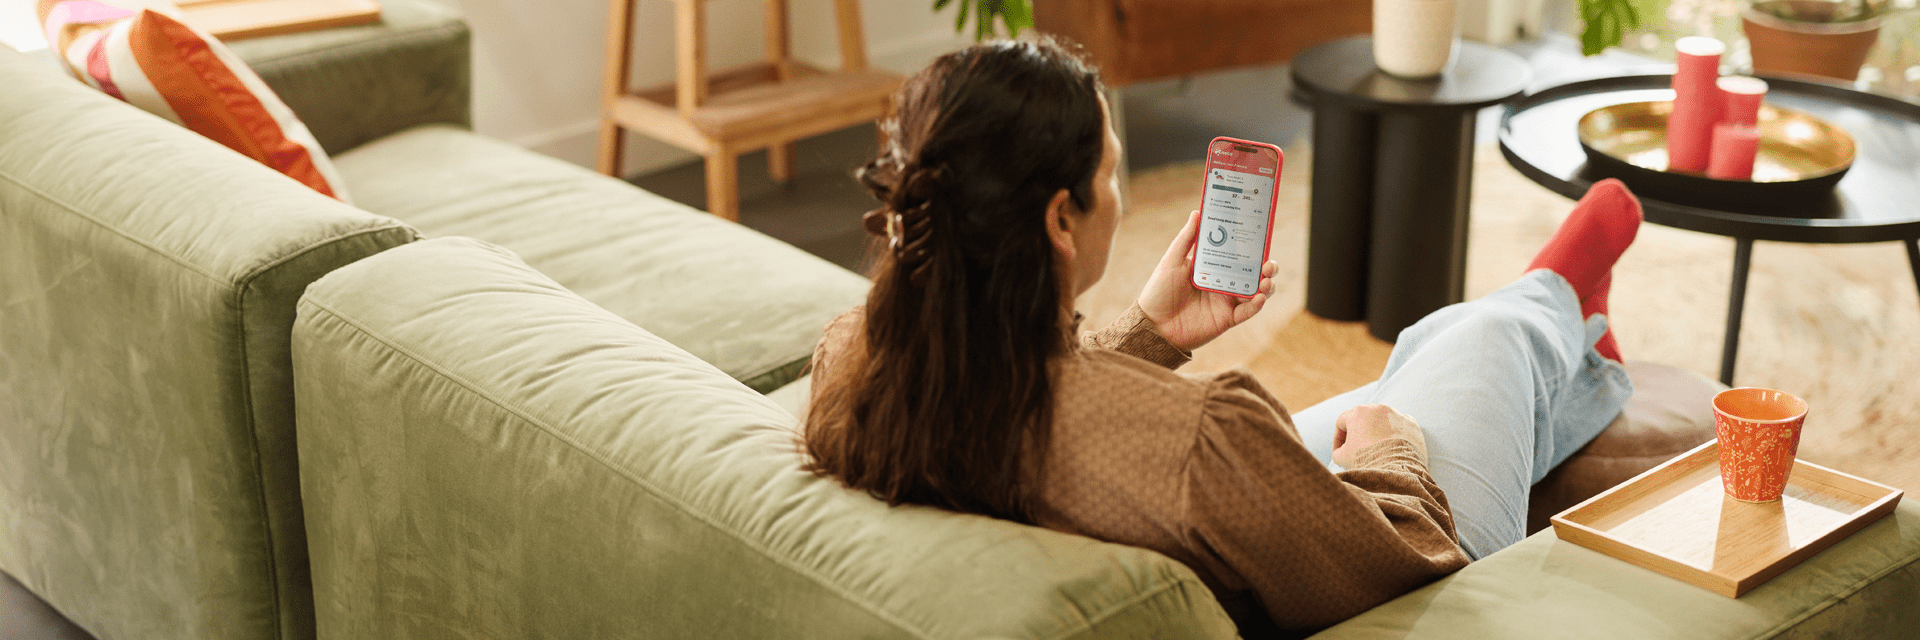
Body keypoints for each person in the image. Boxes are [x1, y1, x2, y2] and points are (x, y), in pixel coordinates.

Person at [801, 37, 1642, 638]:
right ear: (1062, 218)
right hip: (1409, 600)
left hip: (1207, 518)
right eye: (1112, 172)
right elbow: (1417, 557)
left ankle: (1565, 336)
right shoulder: (1204, 440)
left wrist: (1149, 333)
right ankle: (1559, 308)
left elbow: (1040, 410)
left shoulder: (859, 358)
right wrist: (1393, 459)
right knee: (1474, 343)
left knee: (1433, 349)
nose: (1121, 195)